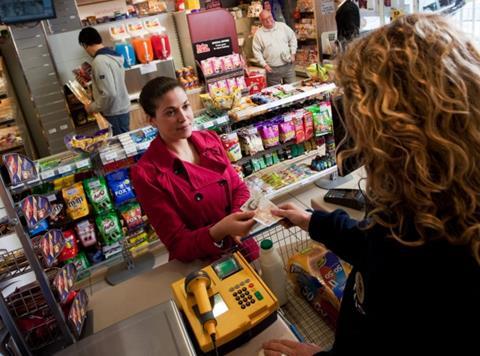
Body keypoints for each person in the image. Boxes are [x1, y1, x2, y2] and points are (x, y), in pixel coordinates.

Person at [263, 14, 480, 355]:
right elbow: (376, 244)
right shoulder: (421, 195)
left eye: (363, 127)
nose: (357, 146)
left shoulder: (450, 257)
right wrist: (313, 221)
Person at [130, 77, 259, 262]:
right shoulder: (147, 173)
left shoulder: (210, 140)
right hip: (203, 265)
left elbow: (238, 188)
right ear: (152, 120)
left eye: (185, 106)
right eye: (170, 112)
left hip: (242, 245)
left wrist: (237, 218)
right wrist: (221, 230)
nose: (183, 118)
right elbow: (178, 244)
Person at [78, 27, 130, 136]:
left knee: (121, 146)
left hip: (114, 113)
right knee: (125, 143)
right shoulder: (112, 55)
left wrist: (92, 107)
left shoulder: (100, 61)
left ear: (85, 44)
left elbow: (109, 93)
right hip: (121, 109)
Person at [252, 10, 297, 86]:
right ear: (261, 21)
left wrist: (293, 53)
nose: (268, 20)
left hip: (288, 65)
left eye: (269, 17)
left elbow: (292, 38)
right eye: (265, 19)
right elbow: (256, 51)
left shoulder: (282, 26)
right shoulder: (258, 34)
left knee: (292, 89)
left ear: (272, 16)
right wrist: (264, 65)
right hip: (272, 69)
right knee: (275, 93)